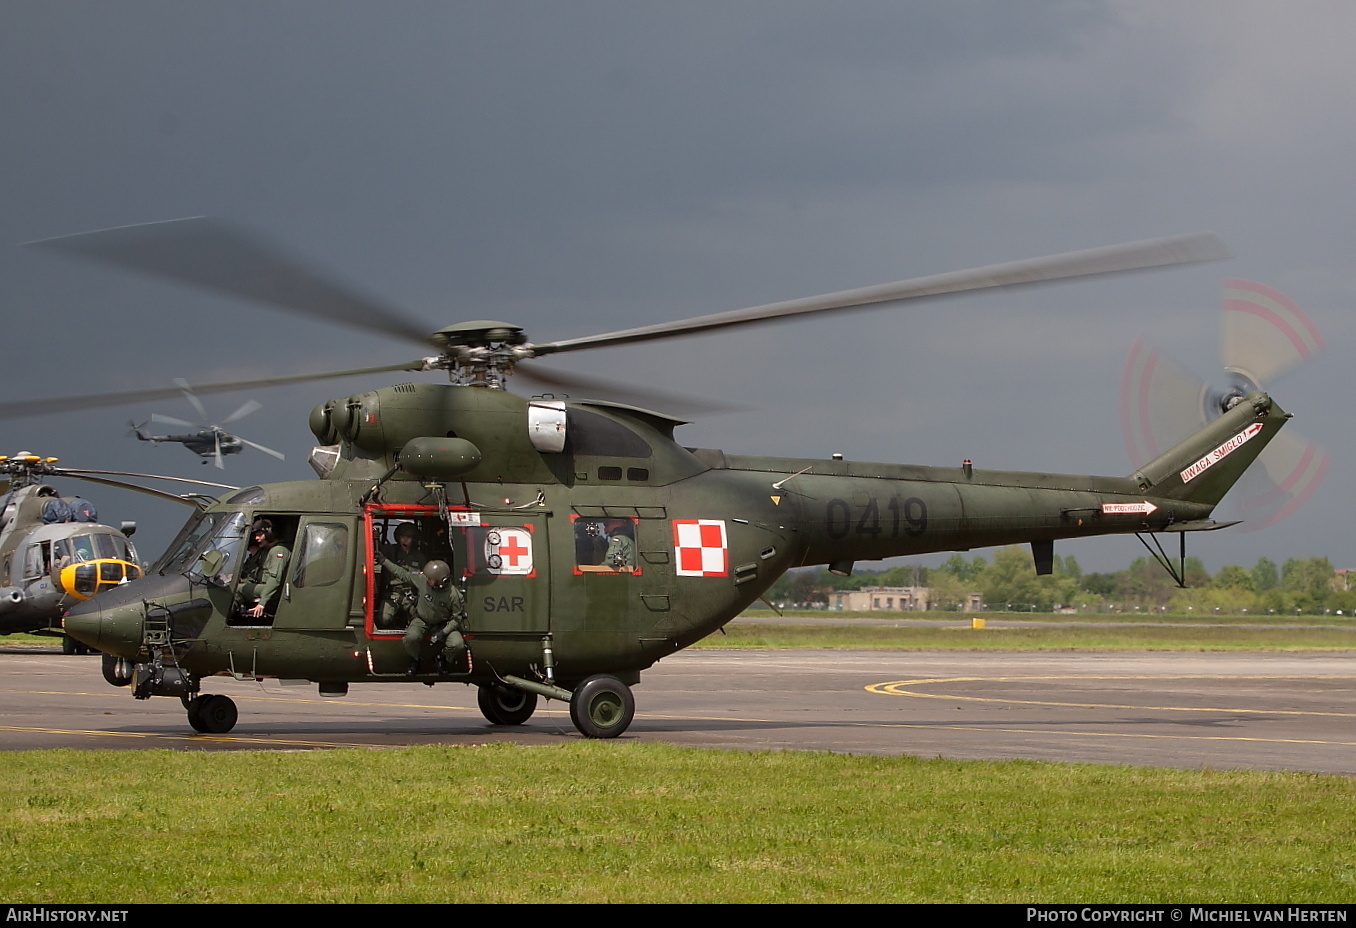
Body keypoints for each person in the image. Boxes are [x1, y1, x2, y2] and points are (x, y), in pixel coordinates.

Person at [376, 551, 466, 676]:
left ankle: (442, 658)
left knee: (458, 644)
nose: (427, 580)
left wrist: (443, 633)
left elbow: (457, 618)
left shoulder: (453, 595)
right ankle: (415, 660)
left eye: (431, 579)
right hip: (422, 620)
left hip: (443, 624)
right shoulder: (423, 580)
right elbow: (402, 574)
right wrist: (384, 561)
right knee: (411, 638)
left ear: (441, 581)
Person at [232, 518, 291, 622]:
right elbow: (258, 573)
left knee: (237, 590)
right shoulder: (266, 551)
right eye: (255, 535)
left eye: (260, 534)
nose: (257, 538)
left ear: (269, 533)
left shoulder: (278, 550)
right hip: (266, 587)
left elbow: (274, 579)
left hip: (273, 590)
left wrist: (262, 603)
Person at [377, 522, 427, 629]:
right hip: (393, 594)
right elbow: (376, 551)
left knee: (422, 619)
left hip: (412, 596)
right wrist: (375, 539)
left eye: (408, 537)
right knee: (384, 618)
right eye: (402, 536)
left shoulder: (420, 556)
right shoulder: (390, 551)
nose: (405, 540)